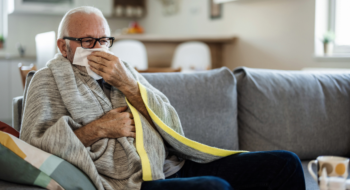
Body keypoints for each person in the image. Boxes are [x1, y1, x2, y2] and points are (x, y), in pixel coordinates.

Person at [20, 6, 306, 190]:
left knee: (287, 163)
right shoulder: (47, 80)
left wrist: (128, 85)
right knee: (214, 187)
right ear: (63, 46)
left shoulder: (124, 70)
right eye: (87, 41)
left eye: (104, 40)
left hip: (173, 163)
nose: (98, 49)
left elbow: (170, 121)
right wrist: (99, 129)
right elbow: (34, 147)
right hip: (133, 179)